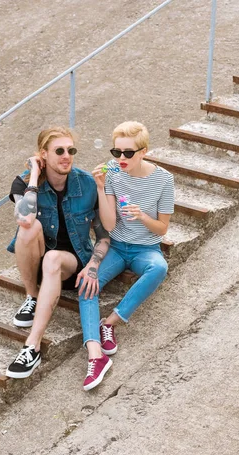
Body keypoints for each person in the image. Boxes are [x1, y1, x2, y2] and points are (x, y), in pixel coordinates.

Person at [6, 126, 111, 381]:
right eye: (59, 151)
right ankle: (32, 296)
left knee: (53, 258)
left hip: (70, 264)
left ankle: (33, 346)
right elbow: (24, 218)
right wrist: (34, 176)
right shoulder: (24, 181)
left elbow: (104, 235)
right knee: (30, 227)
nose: (67, 156)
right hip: (37, 263)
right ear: (43, 154)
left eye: (71, 150)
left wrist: (94, 265)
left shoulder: (85, 184)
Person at [77, 121, 174, 390]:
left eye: (128, 153)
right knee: (87, 284)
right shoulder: (113, 177)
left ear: (143, 152)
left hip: (146, 249)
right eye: (116, 152)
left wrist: (142, 216)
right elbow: (108, 226)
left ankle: (110, 323)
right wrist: (100, 187)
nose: (121, 159)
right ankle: (95, 357)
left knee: (159, 268)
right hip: (117, 247)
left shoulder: (164, 180)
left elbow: (163, 228)